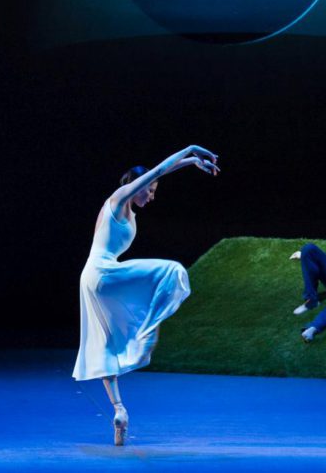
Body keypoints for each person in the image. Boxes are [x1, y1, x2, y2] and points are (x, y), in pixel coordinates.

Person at [73, 145, 220, 445]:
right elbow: (157, 171)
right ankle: (147, 333)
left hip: (90, 279)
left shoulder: (128, 211)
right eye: (150, 191)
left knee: (107, 345)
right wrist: (191, 151)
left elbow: (159, 173)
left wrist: (191, 162)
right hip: (102, 273)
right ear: (135, 186)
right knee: (172, 272)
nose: (151, 196)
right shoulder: (118, 199)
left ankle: (119, 411)